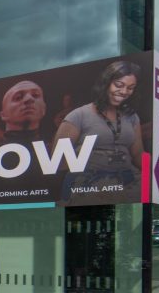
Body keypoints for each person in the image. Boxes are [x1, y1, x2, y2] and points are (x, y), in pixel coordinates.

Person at [55, 59, 145, 201]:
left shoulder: (132, 117)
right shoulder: (78, 116)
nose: (124, 92)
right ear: (106, 83)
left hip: (128, 181)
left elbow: (138, 154)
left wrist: (154, 176)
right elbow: (58, 161)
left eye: (131, 88)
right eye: (119, 85)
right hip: (89, 184)